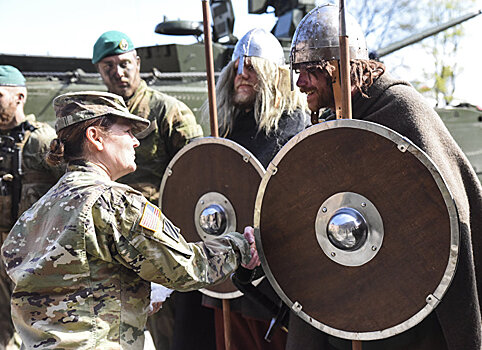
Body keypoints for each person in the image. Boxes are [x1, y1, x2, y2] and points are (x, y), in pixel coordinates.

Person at [1, 91, 260, 350]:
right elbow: (186, 268)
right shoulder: (113, 202)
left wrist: (131, 297)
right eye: (127, 131)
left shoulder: (37, 211)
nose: (135, 142)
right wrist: (240, 245)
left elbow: (64, 292)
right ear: (95, 137)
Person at [288, 4, 481, 350]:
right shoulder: (329, 126)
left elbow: (449, 219)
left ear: (337, 68)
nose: (300, 82)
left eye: (308, 70)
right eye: (296, 71)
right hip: (346, 306)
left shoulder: (400, 110)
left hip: (411, 319)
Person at [178, 28, 308, 350]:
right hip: (228, 279)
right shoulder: (228, 132)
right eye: (236, 67)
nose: (241, 74)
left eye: (251, 66)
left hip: (275, 287)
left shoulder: (294, 130)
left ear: (274, 75)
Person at [93, 30, 204, 349]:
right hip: (112, 245)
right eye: (108, 66)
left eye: (125, 63)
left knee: (170, 333)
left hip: (157, 243)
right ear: (99, 71)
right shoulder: (99, 119)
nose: (118, 72)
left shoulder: (168, 111)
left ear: (138, 63)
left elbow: (196, 172)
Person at [0, 65, 62, 349]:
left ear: (20, 97)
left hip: (34, 255)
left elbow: (69, 192)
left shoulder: (42, 140)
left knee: (40, 329)